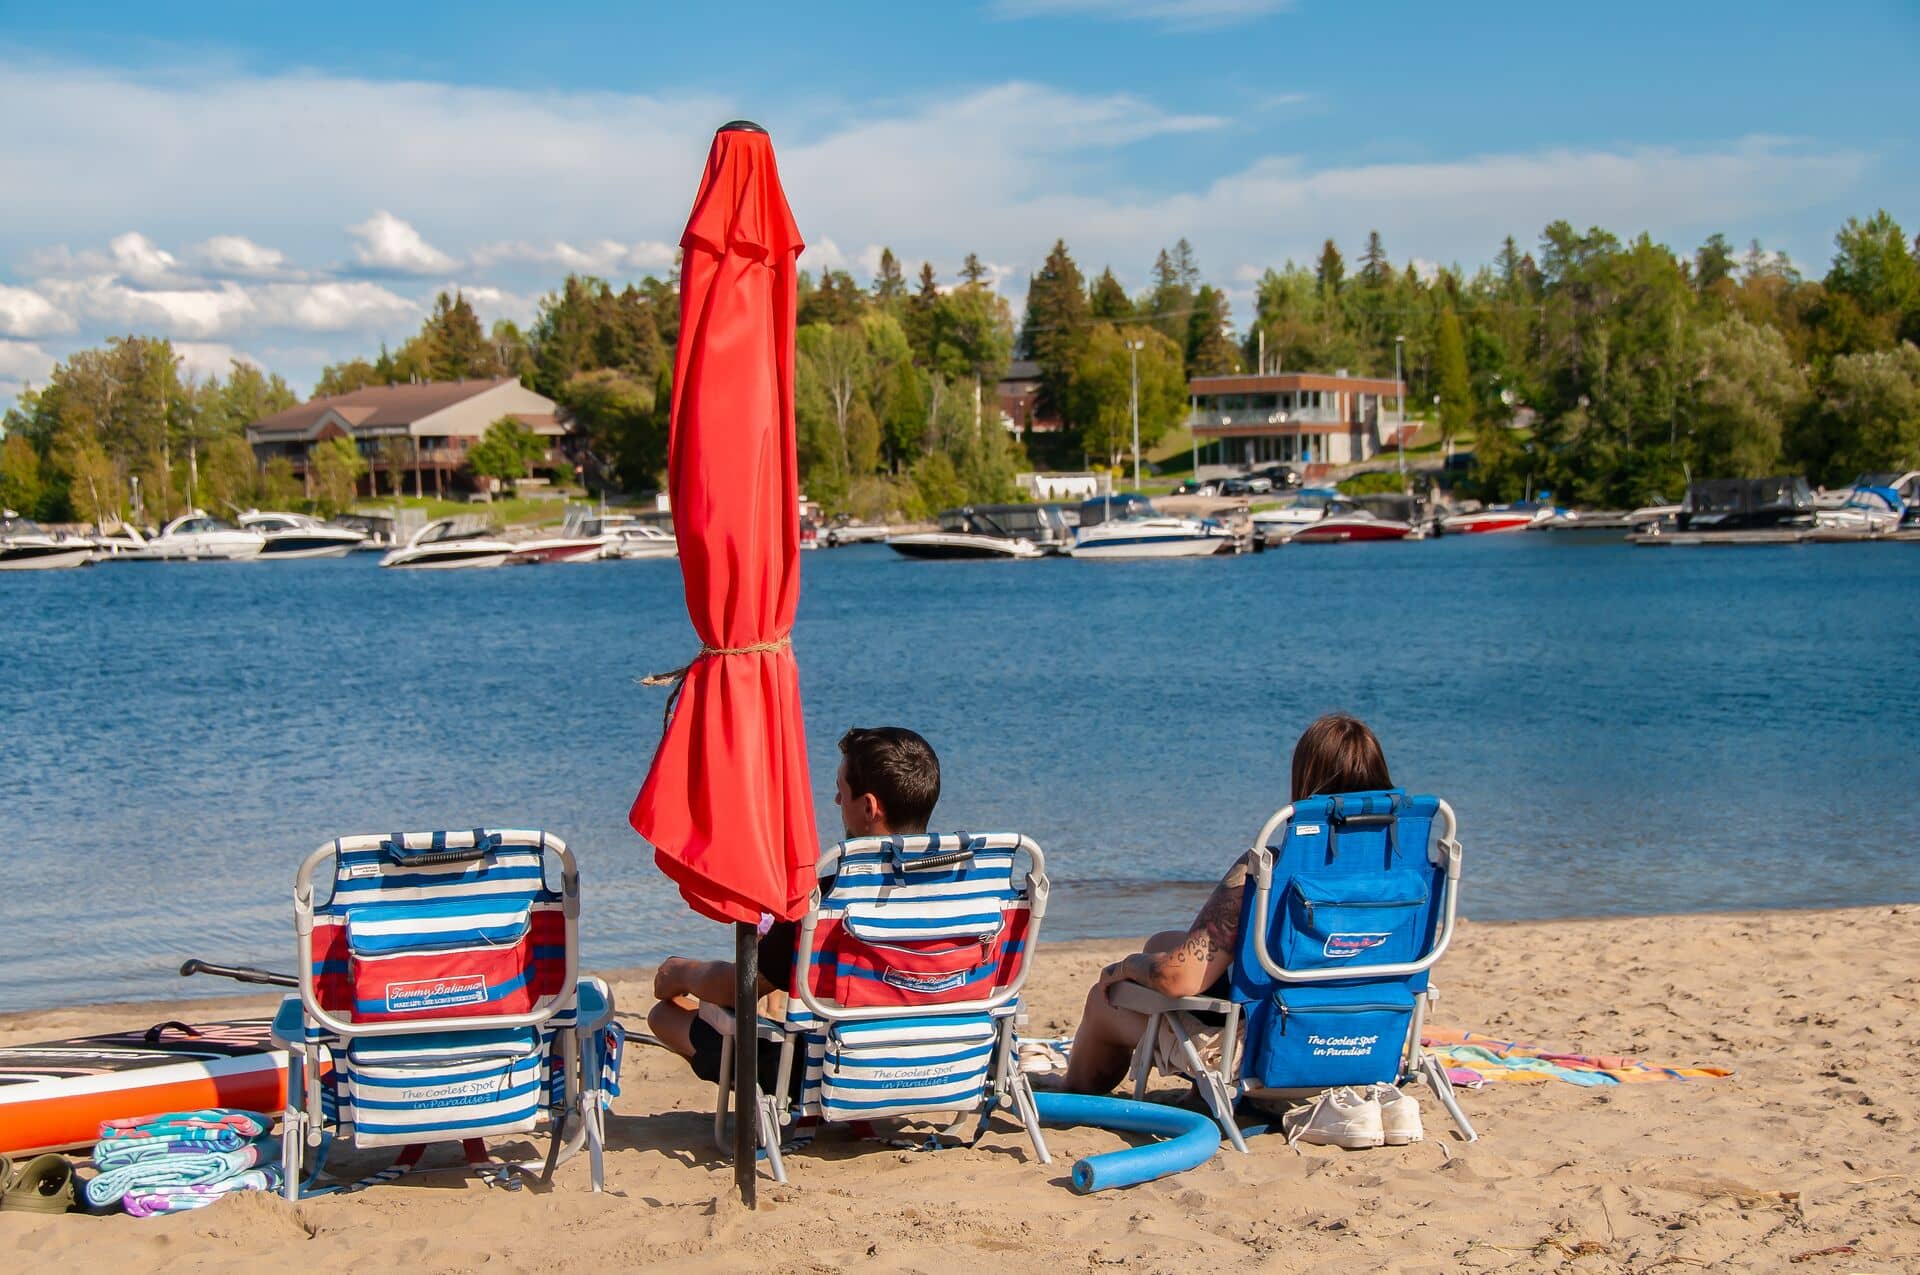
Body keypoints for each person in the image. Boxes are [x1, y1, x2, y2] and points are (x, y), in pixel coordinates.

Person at [1062, 713, 1393, 1094]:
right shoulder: (1399, 870)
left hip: (1275, 1050)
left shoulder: (1273, 867)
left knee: (1108, 999)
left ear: (1304, 785)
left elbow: (1178, 978)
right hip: (1364, 1040)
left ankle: (1071, 1092)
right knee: (1162, 942)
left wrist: (1124, 968)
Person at [647, 726, 943, 1094]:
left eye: (842, 790)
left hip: (842, 1074)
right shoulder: (967, 892)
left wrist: (681, 972)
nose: (836, 800)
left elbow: (741, 986)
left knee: (666, 1016)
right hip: (941, 1064)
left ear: (869, 807)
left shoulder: (829, 900)